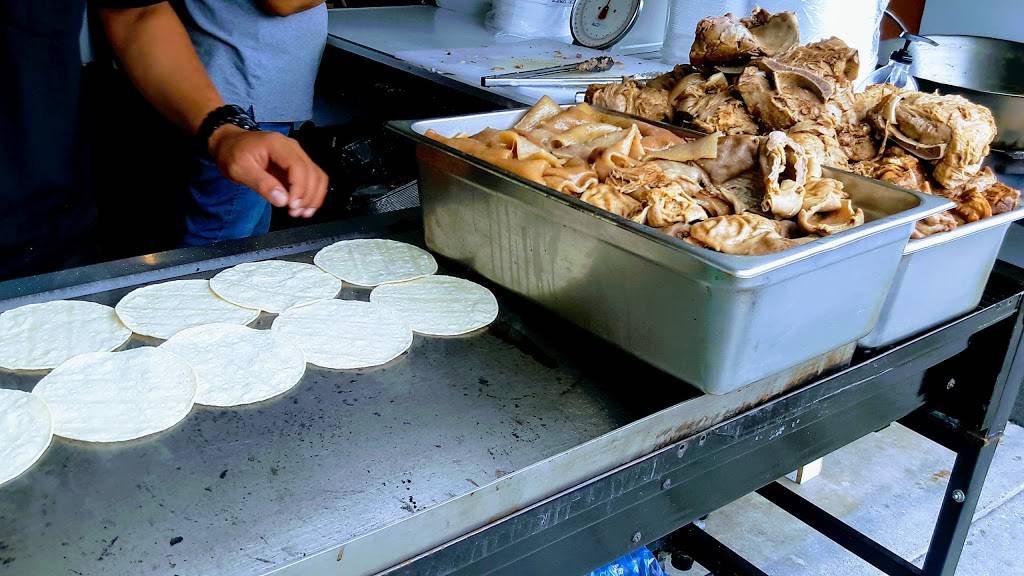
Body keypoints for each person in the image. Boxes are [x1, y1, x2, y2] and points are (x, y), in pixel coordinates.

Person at [0, 0, 327, 280]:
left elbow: (135, 13)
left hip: (48, 217)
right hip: (246, 83)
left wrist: (224, 130)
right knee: (215, 252)